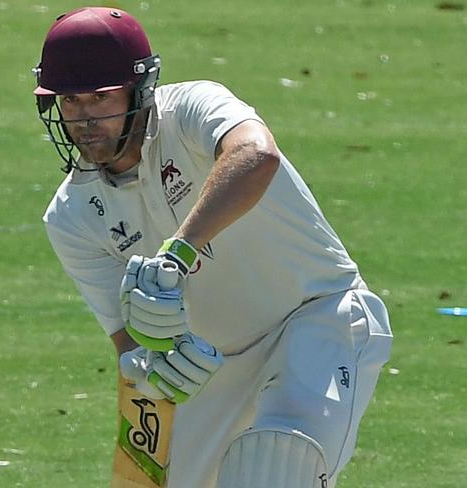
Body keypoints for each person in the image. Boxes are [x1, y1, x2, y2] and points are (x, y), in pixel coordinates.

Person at [33, 7, 393, 488]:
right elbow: (130, 340)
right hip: (211, 366)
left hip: (317, 318)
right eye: (70, 101)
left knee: (274, 470)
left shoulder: (191, 109)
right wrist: (154, 361)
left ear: (139, 90)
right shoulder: (72, 216)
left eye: (100, 98)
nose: (83, 119)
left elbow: (256, 154)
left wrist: (179, 252)